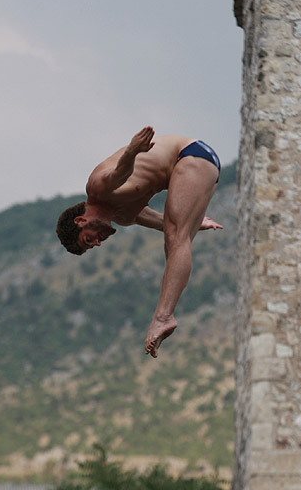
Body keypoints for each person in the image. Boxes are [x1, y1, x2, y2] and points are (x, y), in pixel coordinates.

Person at [56, 127, 222, 358]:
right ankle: (164, 316)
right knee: (175, 238)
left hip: (190, 155)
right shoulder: (124, 217)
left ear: (81, 220)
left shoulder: (96, 188)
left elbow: (118, 175)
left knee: (176, 239)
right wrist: (194, 220)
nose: (97, 243)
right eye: (92, 246)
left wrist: (132, 151)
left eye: (88, 239)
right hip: (198, 168)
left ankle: (164, 317)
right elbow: (163, 223)